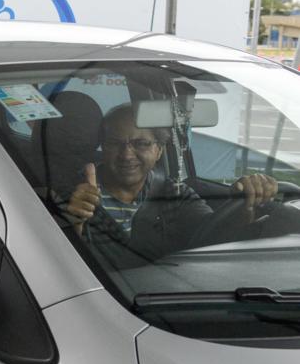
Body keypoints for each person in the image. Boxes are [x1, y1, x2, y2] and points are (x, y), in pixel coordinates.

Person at [65, 105, 277, 263]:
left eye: (141, 144)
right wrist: (73, 223)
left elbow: (211, 234)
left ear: (159, 150)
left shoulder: (174, 194)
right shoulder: (73, 194)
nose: (127, 155)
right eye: (115, 143)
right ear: (103, 147)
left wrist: (244, 204)